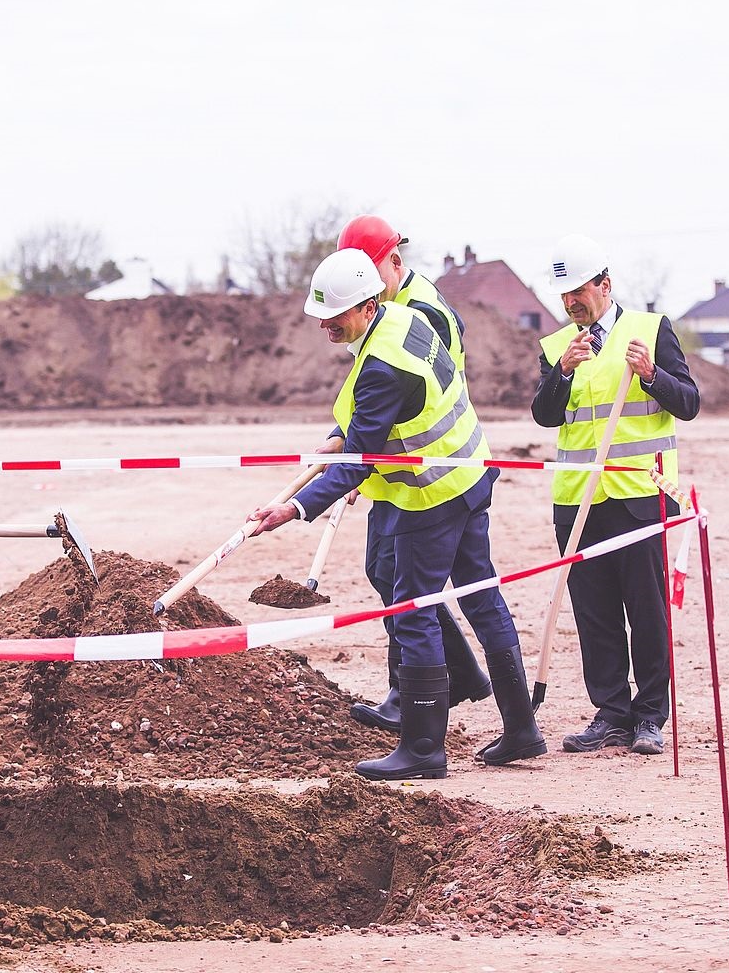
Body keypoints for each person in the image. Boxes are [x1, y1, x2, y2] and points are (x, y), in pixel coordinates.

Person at [250, 249, 545, 780]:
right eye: (319, 314)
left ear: (365, 307)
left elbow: (363, 458)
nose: (323, 324)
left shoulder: (382, 368)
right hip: (470, 476)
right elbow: (370, 420)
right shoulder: (403, 318)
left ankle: (424, 751)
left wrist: (293, 507)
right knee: (481, 597)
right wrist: (340, 435)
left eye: (333, 315)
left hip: (430, 498)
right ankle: (522, 730)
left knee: (412, 611)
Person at [532, 234, 700, 756]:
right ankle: (611, 713)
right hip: (578, 499)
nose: (570, 304)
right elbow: (544, 415)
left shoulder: (651, 330)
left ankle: (650, 716)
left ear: (605, 285)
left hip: (641, 495)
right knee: (595, 612)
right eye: (563, 297)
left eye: (578, 292)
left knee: (647, 610)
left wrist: (651, 375)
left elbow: (689, 402)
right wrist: (562, 372)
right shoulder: (559, 347)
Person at [335, 215, 493, 732]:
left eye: (368, 270)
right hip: (397, 468)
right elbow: (365, 394)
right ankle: (434, 681)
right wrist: (348, 444)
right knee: (388, 575)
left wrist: (357, 459)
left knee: (405, 585)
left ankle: (421, 694)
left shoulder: (420, 311)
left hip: (431, 474)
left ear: (394, 262)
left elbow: (408, 396)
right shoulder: (385, 308)